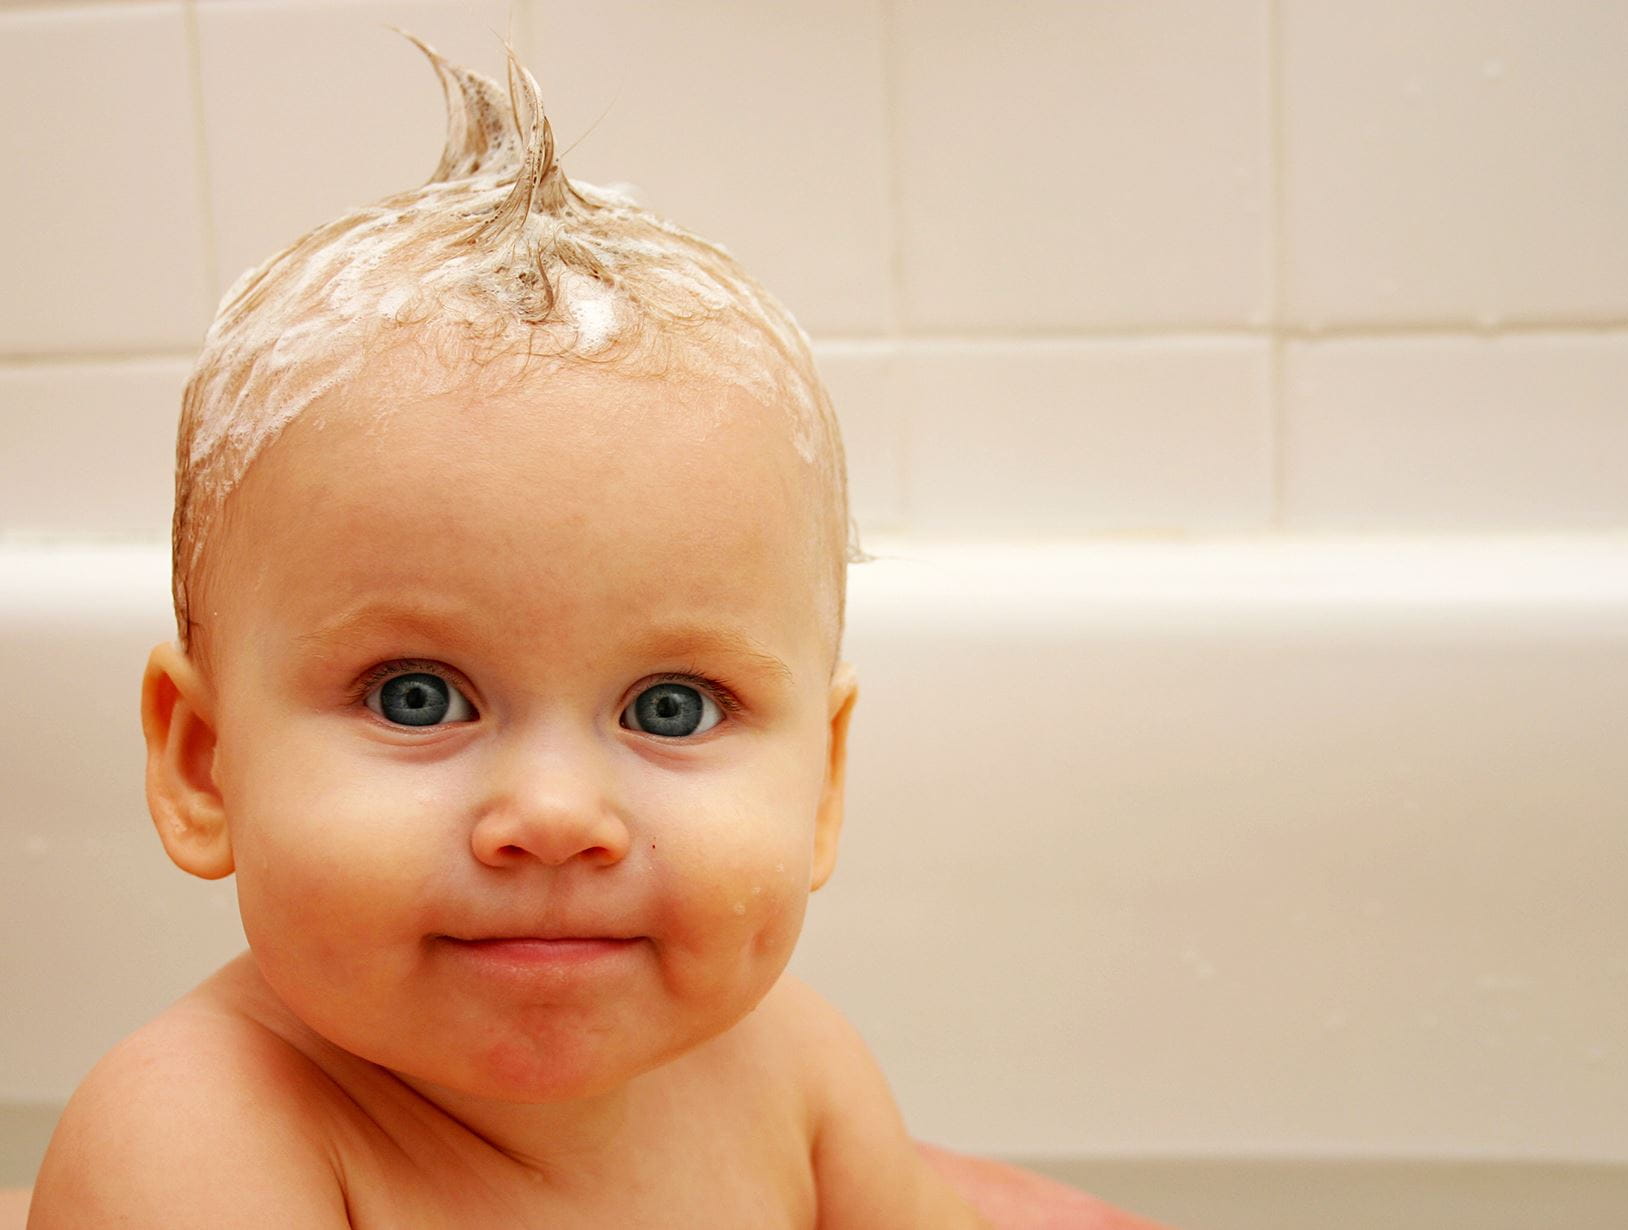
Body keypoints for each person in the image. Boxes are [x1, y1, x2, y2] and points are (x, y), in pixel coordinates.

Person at [28, 37, 1165, 1229]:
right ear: (204, 765)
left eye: (669, 706)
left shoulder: (791, 1075)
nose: (556, 818)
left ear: (822, 785)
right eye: (417, 696)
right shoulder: (197, 1144)